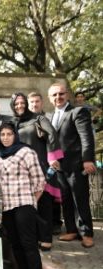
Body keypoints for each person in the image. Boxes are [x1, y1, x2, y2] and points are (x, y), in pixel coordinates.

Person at [10, 92, 63, 250]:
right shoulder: (12, 123)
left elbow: (52, 134)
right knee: (28, 206)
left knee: (44, 202)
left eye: (22, 103)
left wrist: (53, 158)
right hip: (20, 170)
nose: (20, 106)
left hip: (40, 166)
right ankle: (34, 238)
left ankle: (46, 238)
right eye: (16, 104)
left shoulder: (38, 118)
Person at [0, 123, 45, 269]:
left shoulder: (26, 152)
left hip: (24, 204)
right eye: (2, 134)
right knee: (15, 244)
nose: (6, 137)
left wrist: (31, 202)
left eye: (9, 134)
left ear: (15, 135)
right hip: (7, 207)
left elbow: (39, 180)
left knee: (28, 243)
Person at [47, 83, 96, 248]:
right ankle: (71, 230)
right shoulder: (51, 116)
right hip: (59, 167)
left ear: (67, 95)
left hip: (76, 164)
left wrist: (88, 160)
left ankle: (87, 233)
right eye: (54, 95)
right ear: (50, 98)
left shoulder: (78, 111)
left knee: (80, 199)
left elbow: (86, 137)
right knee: (66, 200)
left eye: (61, 94)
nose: (58, 97)